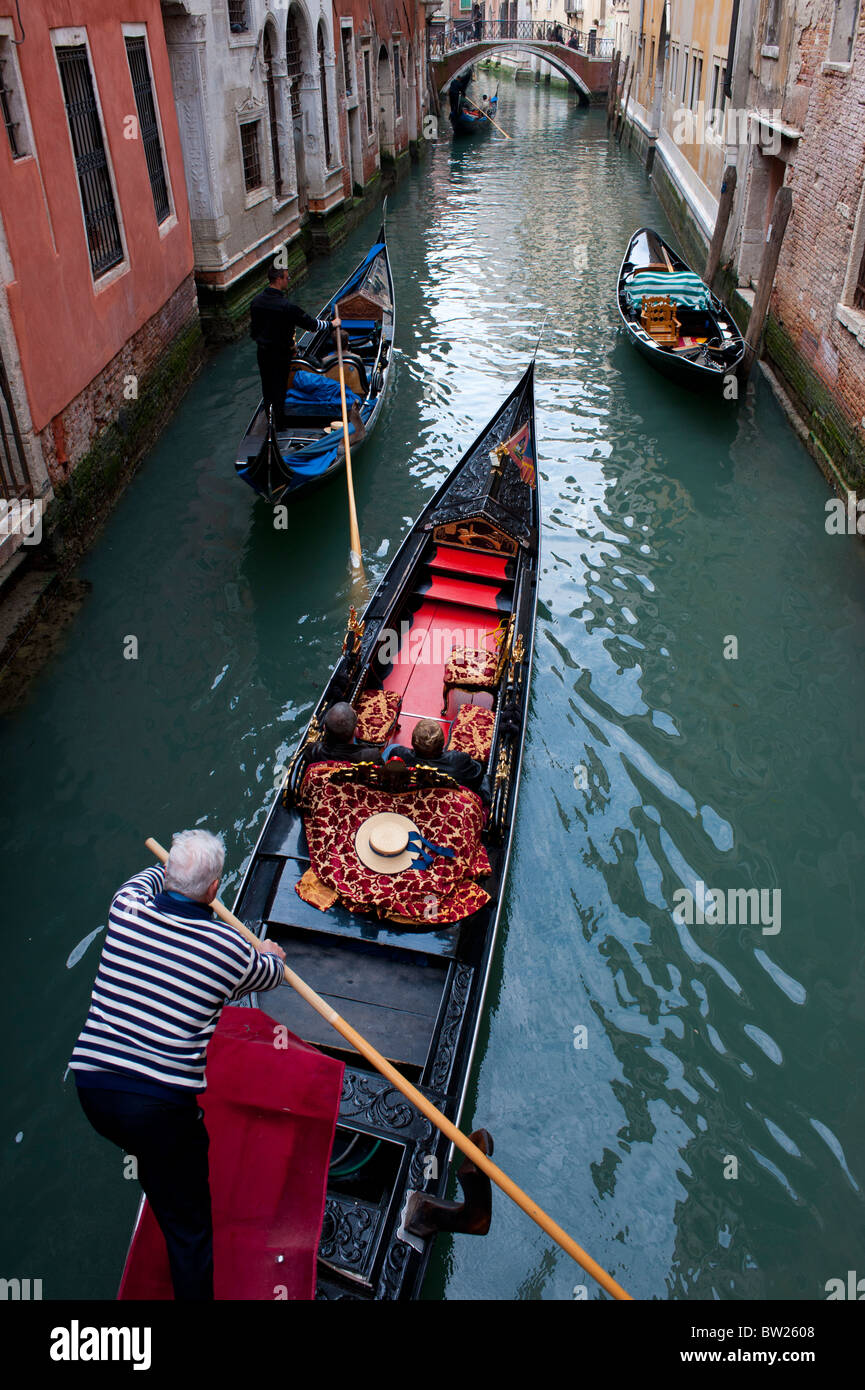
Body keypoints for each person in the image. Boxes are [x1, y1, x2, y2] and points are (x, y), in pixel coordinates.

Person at [69, 830, 286, 1301]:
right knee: (190, 1229)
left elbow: (146, 876)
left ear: (166, 877)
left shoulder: (126, 906)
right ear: (214, 891)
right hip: (158, 1110)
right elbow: (270, 974)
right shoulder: (227, 949)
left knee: (154, 1156)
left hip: (93, 1090)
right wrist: (270, 954)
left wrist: (169, 869)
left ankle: (154, 1173)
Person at [250, 263, 330, 429]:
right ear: (279, 279)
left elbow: (254, 331)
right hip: (280, 355)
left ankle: (270, 420)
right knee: (279, 388)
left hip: (263, 354)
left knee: (267, 387)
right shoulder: (286, 307)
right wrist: (331, 324)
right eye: (287, 278)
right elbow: (312, 325)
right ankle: (279, 425)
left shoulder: (256, 302)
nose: (288, 280)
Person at [386, 717, 485, 794]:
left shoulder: (398, 754)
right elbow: (478, 774)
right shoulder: (459, 761)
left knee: (392, 746)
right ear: (442, 744)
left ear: (413, 743)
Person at [308, 701, 381, 765]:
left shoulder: (313, 751)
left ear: (324, 728)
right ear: (357, 732)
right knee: (391, 748)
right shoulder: (372, 756)